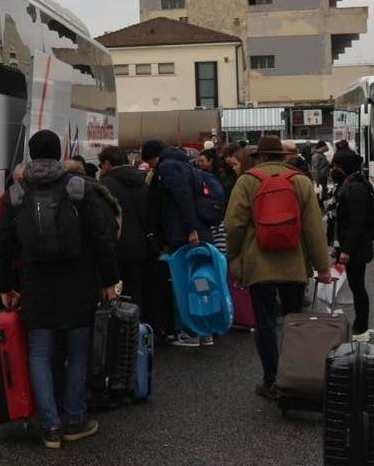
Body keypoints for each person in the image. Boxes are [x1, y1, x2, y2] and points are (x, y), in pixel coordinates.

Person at [0, 130, 119, 449]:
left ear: (32, 154)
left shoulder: (17, 193)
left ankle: (50, 426)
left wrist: (5, 286)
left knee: (40, 355)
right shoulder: (78, 187)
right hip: (78, 284)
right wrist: (109, 281)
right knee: (77, 353)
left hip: (36, 286)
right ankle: (75, 421)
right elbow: (100, 238)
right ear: (59, 152)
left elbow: (3, 245)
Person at [224, 135, 332, 400]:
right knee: (295, 323)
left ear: (260, 157)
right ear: (283, 157)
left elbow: (234, 225)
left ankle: (272, 380)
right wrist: (323, 267)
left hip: (258, 264)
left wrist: (234, 257)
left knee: (265, 324)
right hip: (294, 263)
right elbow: (314, 228)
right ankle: (298, 379)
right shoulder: (300, 181)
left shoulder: (247, 181)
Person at [142, 139, 213, 346]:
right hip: (197, 232)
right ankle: (205, 330)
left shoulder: (168, 168)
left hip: (183, 235)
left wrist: (190, 228)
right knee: (200, 282)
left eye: (150, 162)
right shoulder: (185, 165)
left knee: (185, 283)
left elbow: (182, 197)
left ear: (155, 157)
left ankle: (192, 332)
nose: (151, 167)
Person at [99, 145, 151, 310]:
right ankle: (137, 321)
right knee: (137, 290)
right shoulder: (142, 181)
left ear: (107, 164)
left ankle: (120, 324)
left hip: (117, 246)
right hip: (141, 245)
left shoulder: (106, 184)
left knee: (116, 293)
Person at [333, 158, 372, 340]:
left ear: (345, 168)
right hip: (353, 244)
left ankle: (361, 325)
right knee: (355, 285)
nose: (334, 169)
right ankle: (360, 324)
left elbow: (357, 223)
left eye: (337, 166)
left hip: (356, 247)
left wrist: (346, 250)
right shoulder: (351, 185)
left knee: (357, 286)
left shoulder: (355, 189)